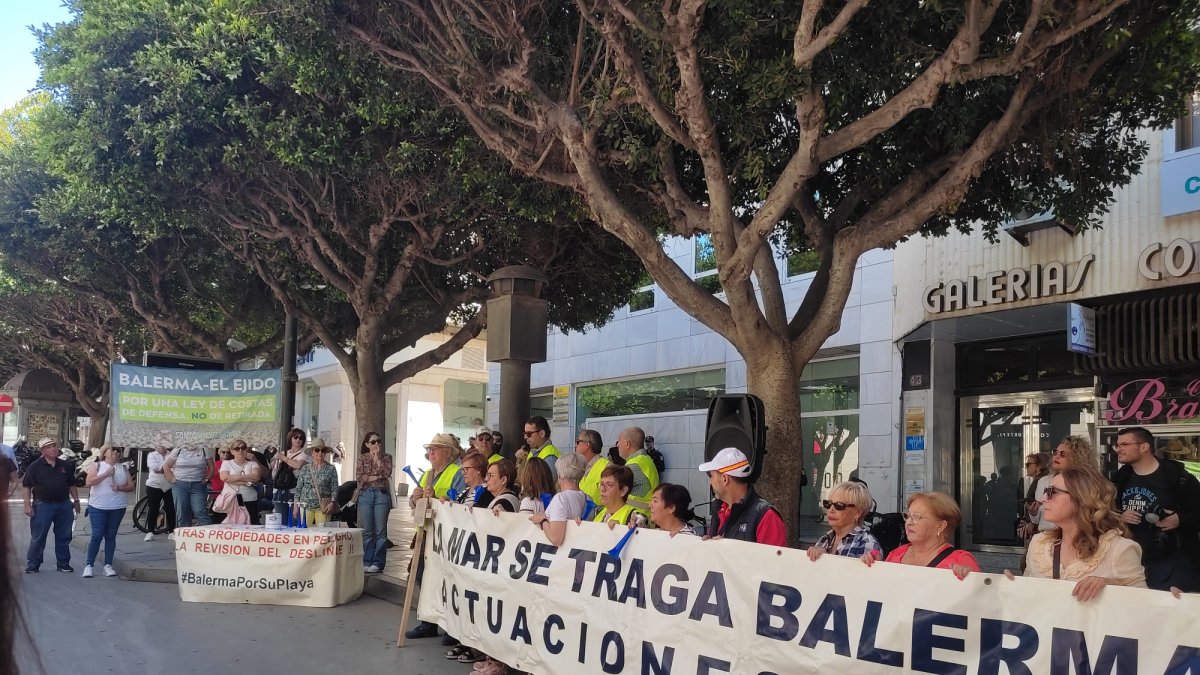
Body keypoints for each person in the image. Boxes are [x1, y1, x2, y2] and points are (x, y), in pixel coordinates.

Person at [1020, 467, 1147, 601]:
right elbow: (1028, 599)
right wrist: (1007, 586)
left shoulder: (1118, 549)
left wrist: (1112, 586)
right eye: (1046, 491)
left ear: (1082, 498)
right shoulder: (1039, 544)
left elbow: (1144, 605)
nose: (1043, 498)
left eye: (1053, 492)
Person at [1112, 426, 1200, 592]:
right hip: (1132, 559)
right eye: (1118, 445)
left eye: (1124, 444)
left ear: (1144, 447)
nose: (1119, 449)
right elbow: (1105, 511)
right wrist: (1120, 516)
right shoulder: (1120, 478)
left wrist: (1179, 519)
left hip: (1173, 563)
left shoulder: (1179, 478)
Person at [863, 491, 979, 579]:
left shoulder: (961, 560)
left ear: (940, 526)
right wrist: (876, 567)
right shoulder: (897, 553)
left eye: (916, 517)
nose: (909, 522)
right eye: (908, 516)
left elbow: (980, 599)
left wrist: (969, 578)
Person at [699, 447, 786, 546]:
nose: (710, 483)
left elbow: (773, 560)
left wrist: (729, 549)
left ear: (725, 479)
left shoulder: (767, 516)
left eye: (712, 477)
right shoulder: (719, 509)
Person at [21, 437, 81, 573]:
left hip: (64, 505)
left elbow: (72, 484)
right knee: (39, 536)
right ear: (43, 451)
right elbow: (26, 487)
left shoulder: (65, 465)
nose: (53, 448)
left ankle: (63, 563)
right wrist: (27, 505)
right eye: (49, 447)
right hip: (43, 505)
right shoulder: (35, 466)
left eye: (54, 446)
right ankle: (33, 563)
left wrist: (76, 501)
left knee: (64, 535)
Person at [81, 444, 133, 578]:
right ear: (105, 453)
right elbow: (89, 482)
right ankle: (89, 565)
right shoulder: (96, 466)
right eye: (113, 450)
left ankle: (108, 565)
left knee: (111, 535)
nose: (116, 452)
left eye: (118, 451)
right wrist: (106, 474)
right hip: (98, 506)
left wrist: (120, 488)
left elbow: (131, 486)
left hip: (117, 506)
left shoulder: (123, 468)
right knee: (97, 535)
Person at [807, 481, 882, 561]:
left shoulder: (867, 542)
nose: (831, 510)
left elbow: (856, 573)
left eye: (839, 505)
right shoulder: (824, 539)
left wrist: (826, 559)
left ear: (858, 513)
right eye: (828, 504)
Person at [531, 453, 590, 546]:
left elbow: (556, 539)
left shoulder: (561, 499)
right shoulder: (585, 497)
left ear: (560, 475)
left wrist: (543, 521)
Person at [356, 431, 393, 574]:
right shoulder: (362, 458)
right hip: (366, 494)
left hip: (382, 495)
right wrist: (377, 476)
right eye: (373, 442)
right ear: (367, 444)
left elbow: (387, 473)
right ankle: (367, 560)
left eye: (378, 441)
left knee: (380, 531)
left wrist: (377, 459)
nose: (376, 444)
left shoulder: (387, 457)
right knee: (367, 531)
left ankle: (378, 562)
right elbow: (361, 478)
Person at [164, 445, 214, 529]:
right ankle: (185, 537)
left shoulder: (204, 449)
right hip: (180, 485)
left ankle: (207, 536)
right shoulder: (178, 450)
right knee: (182, 511)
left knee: (200, 511)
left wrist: (207, 479)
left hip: (198, 484)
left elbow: (211, 466)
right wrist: (172, 479)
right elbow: (166, 465)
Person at [410, 433, 466, 504]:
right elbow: (411, 504)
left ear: (448, 453)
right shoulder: (426, 473)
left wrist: (434, 499)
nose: (431, 452)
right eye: (429, 449)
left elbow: (460, 506)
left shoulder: (458, 473)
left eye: (436, 448)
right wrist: (414, 500)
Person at [616, 426, 660, 514]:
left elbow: (613, 492)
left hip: (635, 519)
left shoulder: (633, 466)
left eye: (619, 441)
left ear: (627, 444)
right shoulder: (645, 460)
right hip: (642, 517)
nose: (617, 445)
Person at [295, 439, 338, 526]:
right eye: (317, 450)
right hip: (305, 505)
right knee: (305, 533)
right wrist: (296, 506)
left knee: (322, 534)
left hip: (323, 506)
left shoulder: (331, 469)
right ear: (312, 453)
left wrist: (332, 503)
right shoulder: (305, 468)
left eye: (323, 450)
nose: (320, 452)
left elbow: (335, 487)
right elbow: (299, 488)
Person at [220, 440, 263, 525]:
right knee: (228, 526)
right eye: (237, 448)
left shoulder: (253, 463)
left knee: (251, 525)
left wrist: (234, 479)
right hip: (230, 500)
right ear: (232, 451)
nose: (240, 450)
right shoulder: (226, 463)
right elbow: (224, 477)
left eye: (243, 448)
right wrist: (246, 482)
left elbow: (256, 477)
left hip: (249, 499)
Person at [272, 428, 311, 515]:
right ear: (290, 438)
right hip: (280, 489)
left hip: (295, 490)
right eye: (296, 437)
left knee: (294, 518)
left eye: (301, 438)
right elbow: (274, 473)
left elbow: (298, 465)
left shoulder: (304, 453)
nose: (298, 440)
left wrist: (283, 458)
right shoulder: (283, 452)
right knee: (280, 517)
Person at [143, 444, 176, 542]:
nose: (161, 447)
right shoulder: (152, 455)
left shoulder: (171, 454)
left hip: (167, 483)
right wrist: (167, 469)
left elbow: (174, 468)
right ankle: (150, 532)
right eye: (159, 445)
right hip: (154, 484)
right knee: (154, 508)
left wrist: (166, 469)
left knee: (170, 508)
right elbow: (155, 468)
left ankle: (171, 531)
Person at [1020, 452, 1053, 539]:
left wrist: (1031, 523)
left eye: (1028, 464)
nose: (1026, 467)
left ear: (1038, 466)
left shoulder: (1041, 481)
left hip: (1040, 529)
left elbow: (1040, 506)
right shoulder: (1041, 480)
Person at [519, 416, 560, 480]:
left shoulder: (550, 457)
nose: (525, 437)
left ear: (541, 434)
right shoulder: (532, 452)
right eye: (524, 433)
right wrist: (521, 461)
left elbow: (547, 484)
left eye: (529, 434)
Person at [575, 428, 609, 505]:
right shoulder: (580, 466)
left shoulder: (607, 466)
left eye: (578, 442)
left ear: (587, 445)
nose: (575, 445)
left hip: (598, 515)